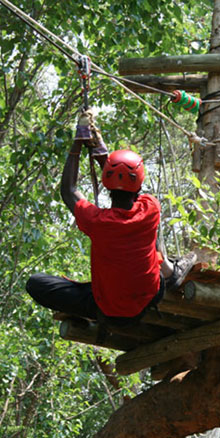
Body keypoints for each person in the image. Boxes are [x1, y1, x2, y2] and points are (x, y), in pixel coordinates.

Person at [26, 108, 195, 327]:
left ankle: (91, 312)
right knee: (149, 243)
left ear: (107, 185)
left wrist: (78, 141)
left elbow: (68, 190)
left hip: (109, 309)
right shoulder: (150, 208)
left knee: (35, 283)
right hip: (149, 297)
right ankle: (170, 272)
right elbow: (128, 186)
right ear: (139, 186)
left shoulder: (97, 222)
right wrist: (101, 153)